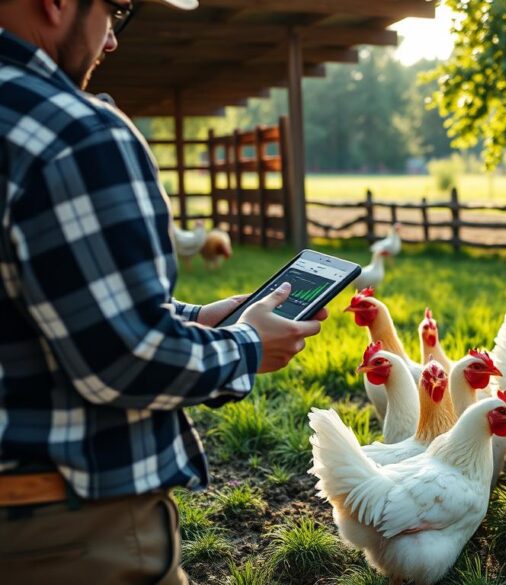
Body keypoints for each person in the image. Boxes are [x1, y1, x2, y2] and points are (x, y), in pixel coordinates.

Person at [0, 1, 326, 582]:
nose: (112, 42)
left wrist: (197, 317)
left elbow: (41, 302)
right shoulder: (73, 131)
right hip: (63, 529)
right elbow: (125, 360)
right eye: (115, 9)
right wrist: (249, 345)